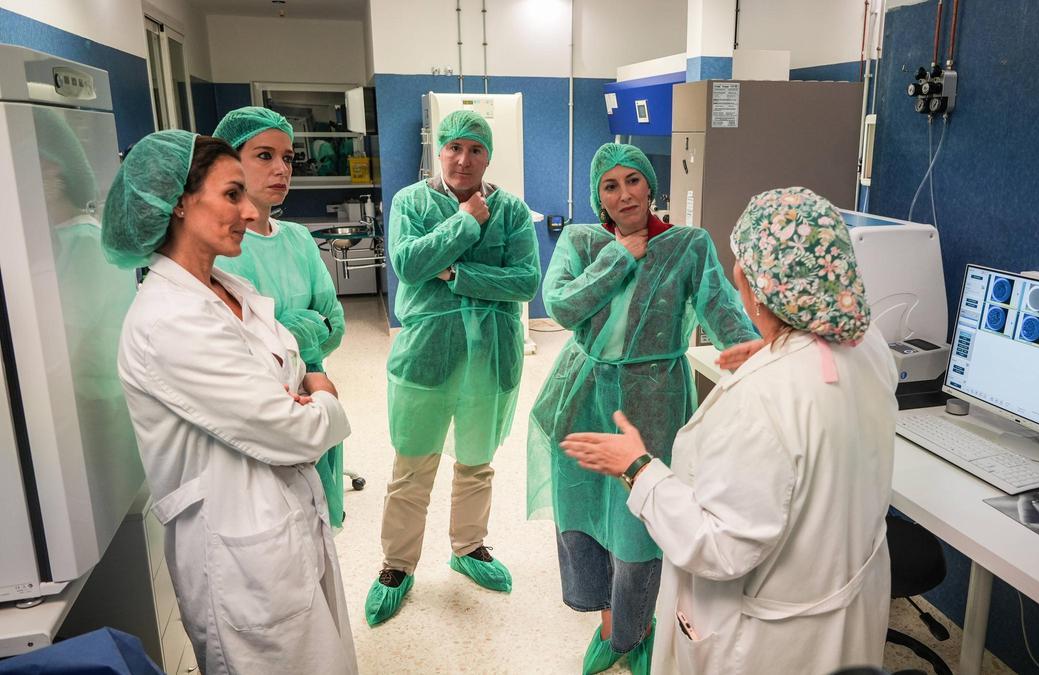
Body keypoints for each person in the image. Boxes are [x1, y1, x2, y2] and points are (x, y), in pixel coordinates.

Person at [561, 187, 899, 675]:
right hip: (846, 605)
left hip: (772, 641)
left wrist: (637, 468)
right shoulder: (869, 346)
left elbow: (718, 546)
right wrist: (774, 348)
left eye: (740, 262)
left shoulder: (763, 399)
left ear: (755, 283)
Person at [103, 130, 357, 674]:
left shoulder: (225, 286)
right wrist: (324, 395)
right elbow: (298, 428)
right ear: (178, 204)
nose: (249, 211)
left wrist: (300, 398)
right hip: (241, 552)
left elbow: (288, 377)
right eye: (232, 194)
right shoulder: (170, 320)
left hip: (285, 521)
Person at [527, 143, 760, 674]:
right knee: (582, 512)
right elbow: (560, 305)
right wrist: (618, 258)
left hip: (654, 399)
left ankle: (635, 631)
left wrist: (767, 360)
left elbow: (725, 313)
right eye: (610, 186)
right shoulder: (584, 241)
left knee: (641, 520)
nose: (624, 193)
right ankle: (607, 624)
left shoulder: (687, 246)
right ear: (598, 197)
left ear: (651, 186)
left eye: (633, 180)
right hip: (582, 394)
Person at [366, 110, 540, 626]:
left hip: (491, 357)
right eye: (454, 148)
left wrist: (456, 271)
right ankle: (397, 564)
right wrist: (467, 223)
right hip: (427, 356)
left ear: (489, 155)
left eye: (476, 149)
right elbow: (409, 265)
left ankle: (468, 547)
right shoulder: (411, 203)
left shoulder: (511, 210)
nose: (464, 159)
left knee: (476, 462)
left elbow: (526, 282)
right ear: (439, 151)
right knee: (412, 465)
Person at [212, 106, 349, 528]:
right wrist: (298, 331)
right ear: (228, 163)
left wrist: (284, 328)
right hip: (263, 402)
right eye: (264, 155)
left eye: (287, 157)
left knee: (318, 513)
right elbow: (241, 344)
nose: (281, 169)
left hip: (314, 387)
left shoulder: (299, 238)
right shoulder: (220, 247)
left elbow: (334, 324)